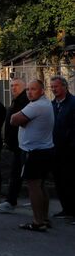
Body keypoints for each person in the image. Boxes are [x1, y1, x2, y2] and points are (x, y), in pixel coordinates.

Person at [11, 80, 54, 231]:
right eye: (28, 89)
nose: (29, 92)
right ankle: (44, 218)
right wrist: (23, 120)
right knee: (41, 185)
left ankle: (38, 221)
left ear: (42, 91)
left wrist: (22, 119)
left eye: (33, 89)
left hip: (34, 152)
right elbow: (20, 119)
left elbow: (14, 119)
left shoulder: (37, 106)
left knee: (34, 185)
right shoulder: (44, 103)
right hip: (43, 150)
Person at [0, 78, 29, 213]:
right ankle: (11, 200)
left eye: (17, 85)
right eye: (12, 85)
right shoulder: (16, 100)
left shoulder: (24, 101)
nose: (13, 88)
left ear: (23, 87)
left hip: (21, 144)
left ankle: (11, 201)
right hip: (16, 145)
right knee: (18, 174)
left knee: (18, 174)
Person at [49, 75, 75, 219]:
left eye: (56, 86)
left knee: (70, 181)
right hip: (55, 149)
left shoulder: (73, 103)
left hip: (69, 151)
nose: (53, 89)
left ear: (64, 87)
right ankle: (66, 209)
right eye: (52, 87)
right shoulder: (52, 105)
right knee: (59, 181)